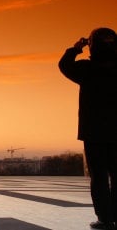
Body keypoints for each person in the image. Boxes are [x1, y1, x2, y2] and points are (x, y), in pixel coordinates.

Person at [59, 27, 117, 230]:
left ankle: (105, 218)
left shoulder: (87, 69)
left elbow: (65, 66)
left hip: (95, 133)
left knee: (99, 177)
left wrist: (76, 48)